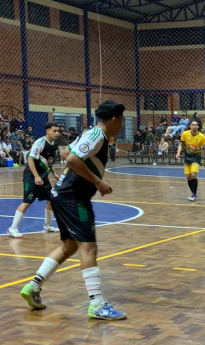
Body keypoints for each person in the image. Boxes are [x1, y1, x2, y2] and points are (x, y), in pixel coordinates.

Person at [19, 101, 127, 321]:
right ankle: (97, 304)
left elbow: (68, 150)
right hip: (73, 197)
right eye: (122, 119)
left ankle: (33, 286)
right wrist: (98, 182)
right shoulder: (97, 134)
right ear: (115, 119)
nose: (122, 124)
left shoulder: (91, 134)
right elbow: (71, 157)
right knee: (89, 247)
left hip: (62, 195)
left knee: (69, 246)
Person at [7, 123, 62, 238]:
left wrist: (54, 173)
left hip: (43, 176)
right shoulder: (40, 142)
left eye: (58, 131)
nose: (57, 133)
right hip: (31, 176)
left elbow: (48, 161)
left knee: (51, 199)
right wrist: (36, 176)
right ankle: (12, 228)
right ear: (47, 131)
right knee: (27, 201)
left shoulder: (54, 144)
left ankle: (47, 225)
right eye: (55, 131)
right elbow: (30, 159)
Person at [177, 120, 205, 201]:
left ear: (198, 127)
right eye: (193, 125)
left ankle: (194, 194)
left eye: (196, 125)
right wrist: (178, 152)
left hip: (196, 157)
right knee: (188, 177)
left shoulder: (202, 137)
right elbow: (181, 144)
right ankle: (193, 193)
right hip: (187, 157)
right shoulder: (185, 134)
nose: (194, 126)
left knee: (193, 174)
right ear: (190, 126)